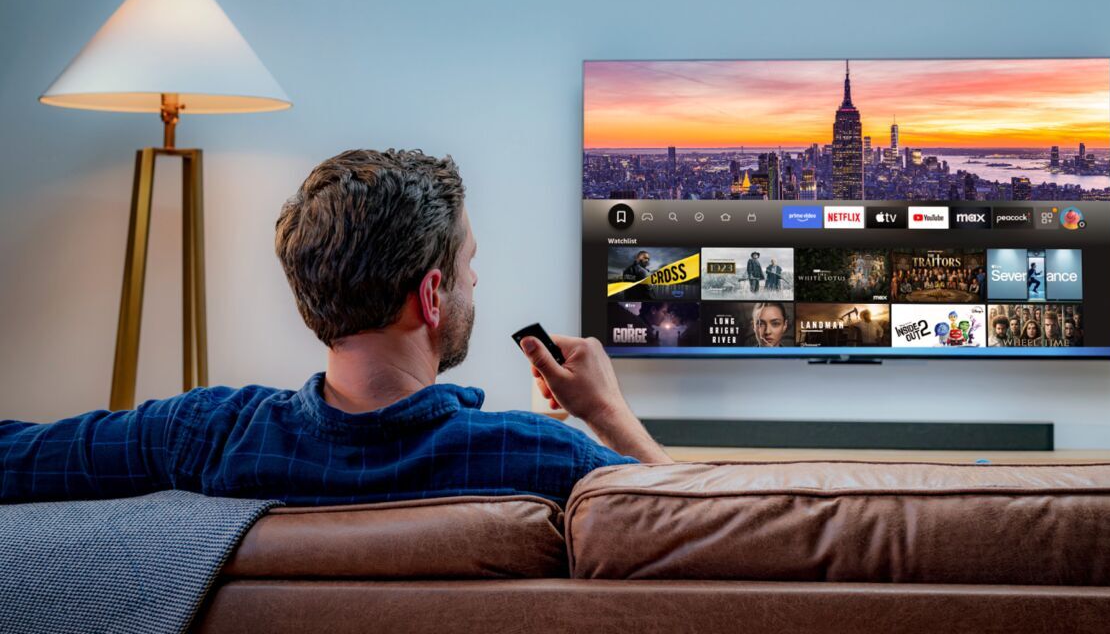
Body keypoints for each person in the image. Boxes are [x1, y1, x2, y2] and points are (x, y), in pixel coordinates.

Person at [0, 149, 670, 507]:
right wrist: (607, 412)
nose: (477, 282)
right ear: (432, 296)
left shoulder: (202, 434)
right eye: (469, 265)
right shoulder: (535, 456)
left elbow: (18, 459)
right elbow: (700, 529)